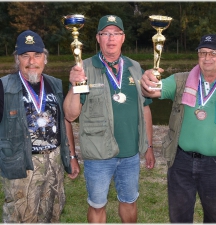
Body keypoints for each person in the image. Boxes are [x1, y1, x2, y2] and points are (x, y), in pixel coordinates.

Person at [140, 34, 216, 223]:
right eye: (202, 53)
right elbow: (151, 91)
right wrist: (147, 81)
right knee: (179, 218)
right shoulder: (180, 81)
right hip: (181, 163)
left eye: (213, 53)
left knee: (215, 218)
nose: (207, 58)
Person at [63, 15, 155, 223]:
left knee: (130, 201)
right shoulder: (83, 69)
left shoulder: (135, 67)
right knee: (97, 205)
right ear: (98, 38)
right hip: (98, 156)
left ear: (123, 38)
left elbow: (146, 110)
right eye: (105, 33)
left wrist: (149, 147)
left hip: (130, 154)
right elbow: (70, 115)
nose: (110, 38)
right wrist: (75, 85)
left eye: (115, 33)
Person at [0, 30, 80, 223]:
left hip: (54, 164)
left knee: (52, 214)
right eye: (25, 56)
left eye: (37, 55)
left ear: (45, 59)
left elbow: (64, 122)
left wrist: (71, 156)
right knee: (21, 217)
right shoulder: (4, 86)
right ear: (17, 60)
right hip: (22, 167)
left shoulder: (55, 84)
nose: (31, 61)